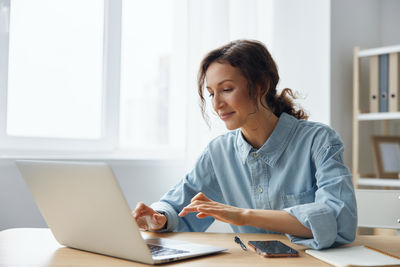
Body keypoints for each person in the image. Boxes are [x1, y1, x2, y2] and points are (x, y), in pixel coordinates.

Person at [132, 39, 357, 250]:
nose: (217, 104)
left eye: (227, 89)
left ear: (261, 86)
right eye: (211, 93)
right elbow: (178, 206)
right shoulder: (218, 152)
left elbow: (339, 219)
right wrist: (157, 219)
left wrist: (241, 215)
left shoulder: (319, 141)